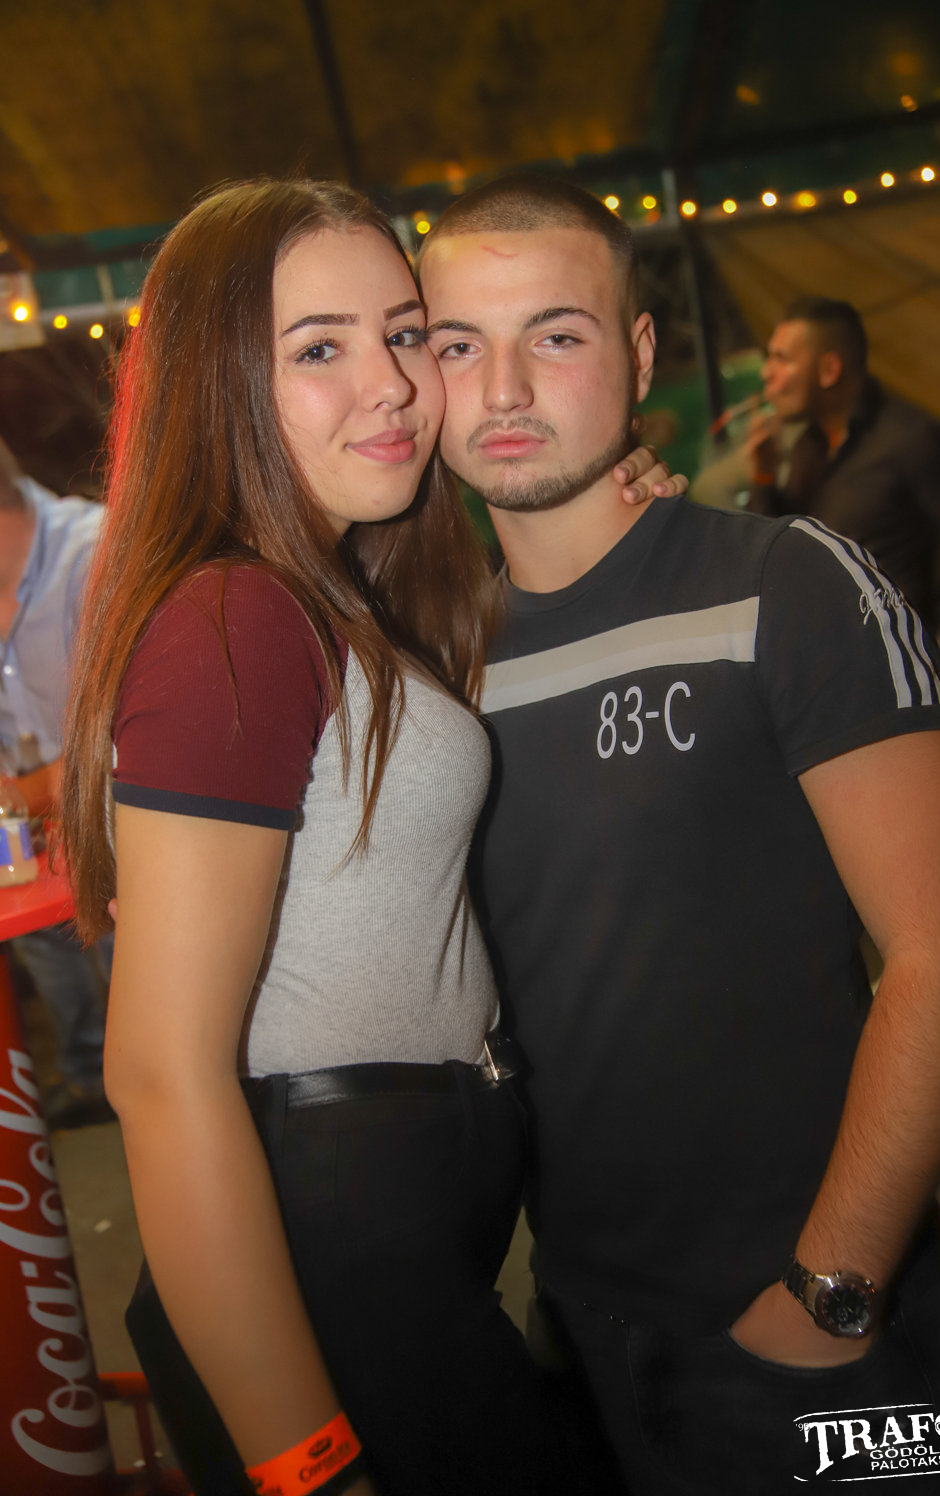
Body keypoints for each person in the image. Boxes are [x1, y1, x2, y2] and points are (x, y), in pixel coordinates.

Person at [60, 178, 676, 1496]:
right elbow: (160, 1074)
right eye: (318, 349)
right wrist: (308, 1463)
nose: (391, 383)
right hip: (322, 1247)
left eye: (404, 334)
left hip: (391, 1236)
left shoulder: (334, 596)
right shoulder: (237, 618)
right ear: (220, 384)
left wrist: (602, 510)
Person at [417, 175, 940, 1494]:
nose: (503, 387)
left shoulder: (787, 584)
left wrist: (831, 1289)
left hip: (830, 1332)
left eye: (555, 334)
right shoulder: (436, 672)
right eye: (458, 344)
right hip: (580, 1334)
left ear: (637, 355)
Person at [744, 296, 940, 665]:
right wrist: (763, 475)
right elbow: (780, 552)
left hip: (897, 662)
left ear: (829, 370)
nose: (767, 373)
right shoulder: (809, 447)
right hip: (830, 660)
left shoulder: (909, 438)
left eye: (781, 359)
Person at [0, 437, 114, 1129]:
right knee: (42, 936)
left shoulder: (97, 555)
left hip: (133, 837)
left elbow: (127, 742)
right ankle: (87, 1079)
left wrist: (21, 796)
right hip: (36, 856)